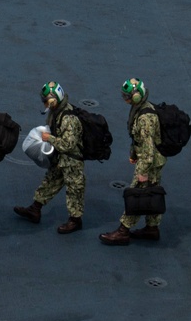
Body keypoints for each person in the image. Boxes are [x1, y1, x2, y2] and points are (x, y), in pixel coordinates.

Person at [99, 78, 166, 245]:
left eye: (127, 96)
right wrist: (134, 153)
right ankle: (152, 228)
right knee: (152, 191)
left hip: (149, 162)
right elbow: (138, 140)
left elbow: (148, 148)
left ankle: (123, 230)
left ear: (137, 96)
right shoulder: (140, 109)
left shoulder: (145, 117)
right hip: (152, 159)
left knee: (136, 194)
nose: (125, 99)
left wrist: (143, 170)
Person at [14, 81, 85, 234]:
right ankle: (35, 209)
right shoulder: (56, 111)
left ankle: (75, 220)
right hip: (62, 157)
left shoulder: (68, 119)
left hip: (72, 160)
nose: (44, 103)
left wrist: (49, 139)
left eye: (46, 100)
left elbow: (69, 144)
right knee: (50, 181)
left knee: (74, 189)